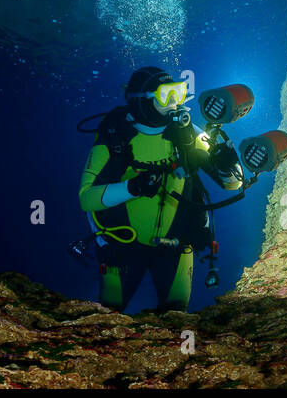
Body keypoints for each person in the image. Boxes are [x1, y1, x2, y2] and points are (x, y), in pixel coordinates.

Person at [77, 66, 244, 312]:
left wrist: (227, 161)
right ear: (142, 101)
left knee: (176, 318)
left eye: (179, 93)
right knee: (108, 314)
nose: (175, 103)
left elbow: (234, 184)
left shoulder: (188, 132)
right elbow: (86, 199)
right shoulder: (115, 136)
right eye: (167, 95)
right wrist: (133, 187)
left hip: (177, 244)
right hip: (122, 243)